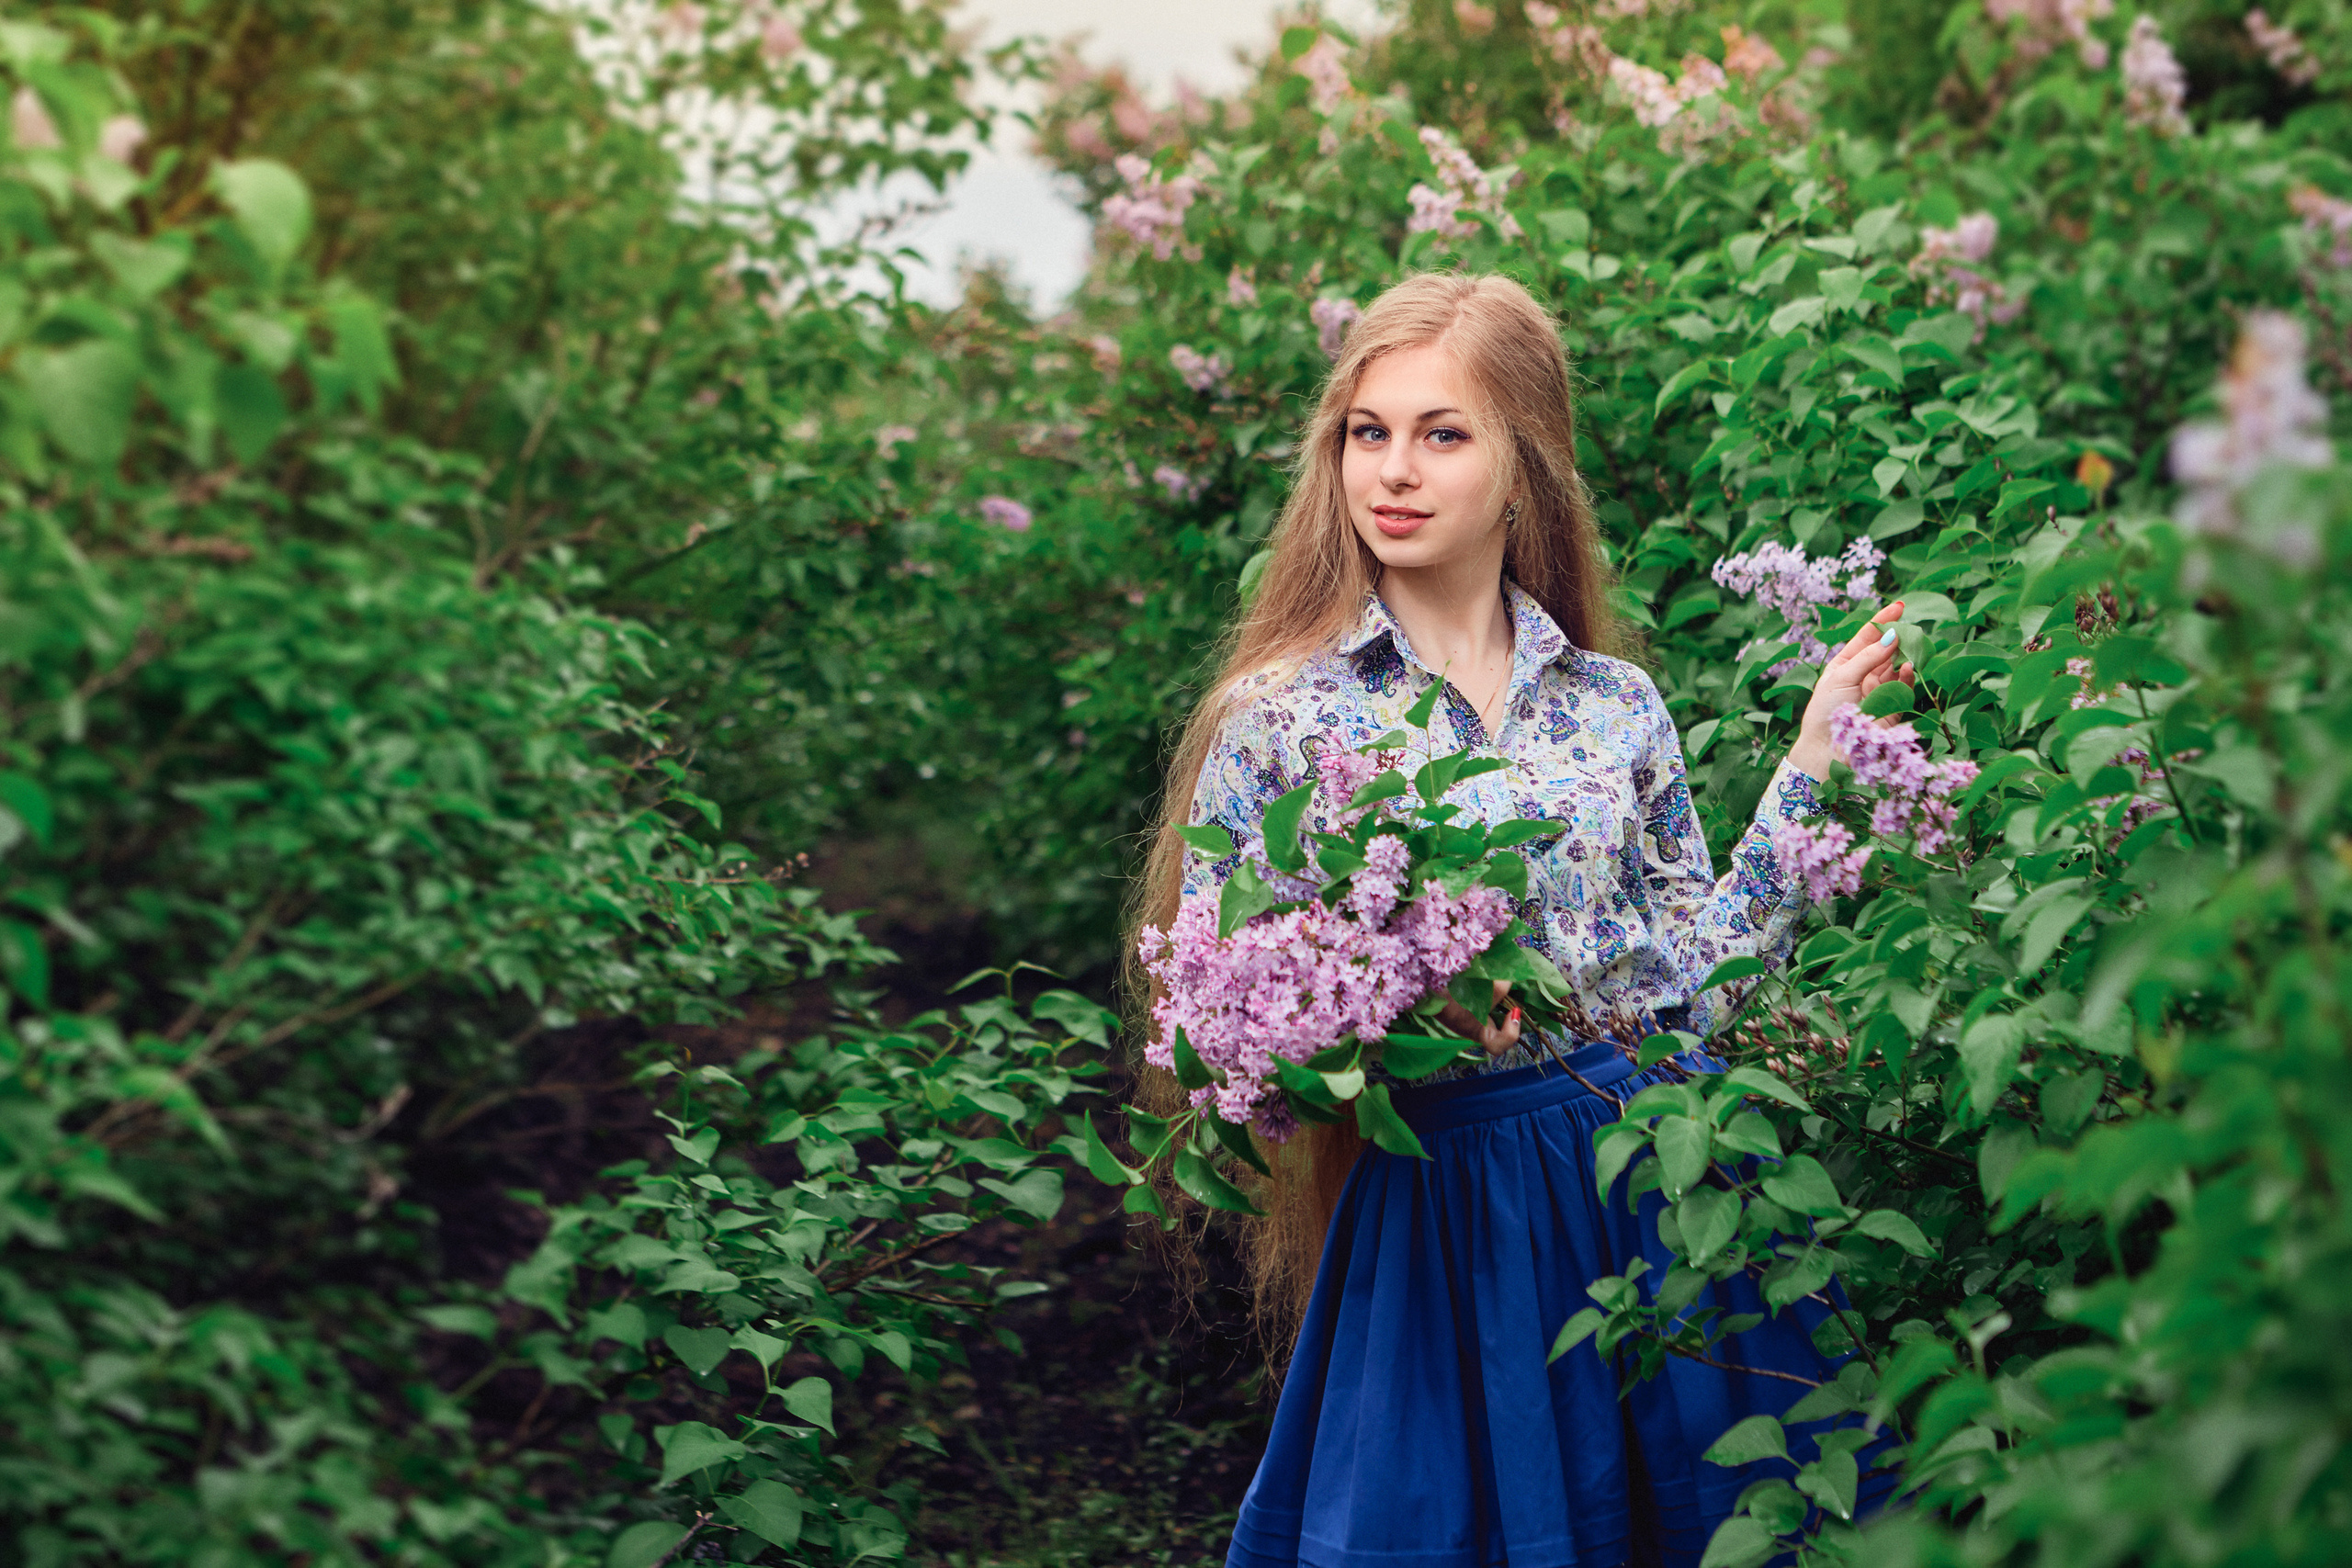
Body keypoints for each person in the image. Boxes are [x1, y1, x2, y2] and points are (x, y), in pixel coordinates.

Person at [1128, 273, 1911, 1568]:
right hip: (1449, 1222)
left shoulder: (1616, 707)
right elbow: (1215, 1044)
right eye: (1367, 433)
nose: (1395, 469)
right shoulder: (1282, 719)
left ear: (1522, 465)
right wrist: (1388, 1022)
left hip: (1662, 1180)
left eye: (1445, 433)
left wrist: (1817, 755)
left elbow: (1695, 986)